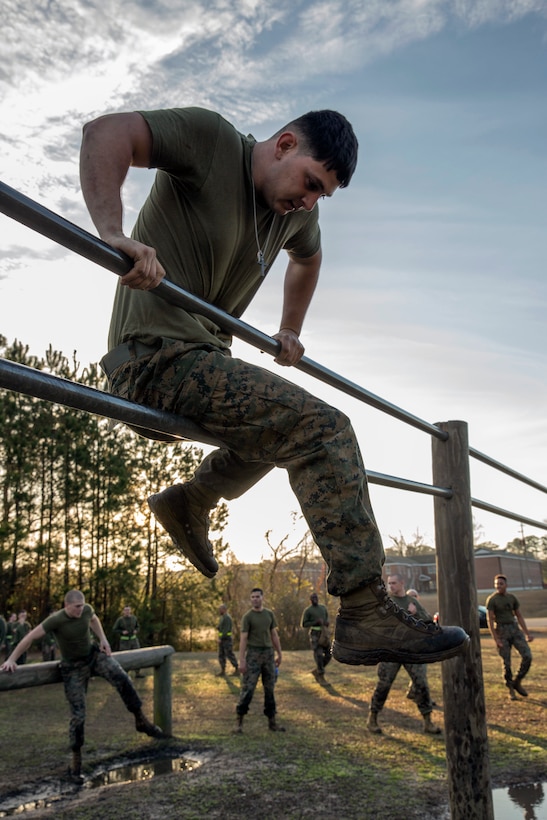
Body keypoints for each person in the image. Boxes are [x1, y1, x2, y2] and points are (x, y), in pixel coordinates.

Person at [80, 105, 468, 668]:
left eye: (322, 196)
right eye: (311, 183)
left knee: (287, 429)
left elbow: (308, 260)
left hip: (203, 361)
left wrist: (291, 328)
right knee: (322, 428)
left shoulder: (293, 215)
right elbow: (107, 133)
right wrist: (113, 232)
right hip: (152, 356)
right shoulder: (212, 142)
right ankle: (364, 608)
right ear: (284, 144)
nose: (309, 201)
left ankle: (192, 499)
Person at [0, 590, 166, 777]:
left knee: (122, 678)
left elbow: (94, 619)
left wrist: (103, 639)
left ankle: (141, 720)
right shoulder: (55, 620)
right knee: (78, 715)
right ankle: (76, 761)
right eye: (76, 607)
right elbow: (29, 638)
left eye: (82, 606)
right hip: (72, 668)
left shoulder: (86, 610)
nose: (81, 610)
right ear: (67, 606)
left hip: (93, 657)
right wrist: (12, 659)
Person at [367, 574, 441, 735]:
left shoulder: (412, 602)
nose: (391, 586)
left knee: (421, 684)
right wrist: (408, 615)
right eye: (389, 583)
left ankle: (428, 722)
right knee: (384, 684)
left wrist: (416, 613)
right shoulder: (386, 602)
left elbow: (428, 621)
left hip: (411, 650)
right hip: (392, 651)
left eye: (394, 583)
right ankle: (372, 718)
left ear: (402, 583)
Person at [235, 588, 284, 733]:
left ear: (262, 598)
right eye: (252, 597)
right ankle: (239, 723)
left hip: (268, 655)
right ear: (250, 599)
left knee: (270, 689)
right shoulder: (247, 617)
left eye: (257, 596)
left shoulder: (269, 614)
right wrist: (242, 660)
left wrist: (279, 653)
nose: (255, 599)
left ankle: (272, 723)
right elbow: (243, 639)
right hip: (253, 656)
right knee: (248, 689)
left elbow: (274, 634)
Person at [486, 574, 533, 700]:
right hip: (501, 630)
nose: (498, 586)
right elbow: (489, 620)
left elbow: (519, 615)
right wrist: (496, 638)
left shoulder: (512, 598)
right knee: (506, 663)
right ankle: (510, 688)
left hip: (514, 629)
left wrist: (527, 633)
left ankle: (517, 681)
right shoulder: (492, 600)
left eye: (501, 584)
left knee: (527, 656)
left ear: (506, 585)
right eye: (496, 584)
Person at [301, 592, 331, 681]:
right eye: (313, 598)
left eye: (316, 598)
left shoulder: (323, 608)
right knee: (318, 654)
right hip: (314, 633)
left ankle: (318, 669)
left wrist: (326, 623)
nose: (315, 600)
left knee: (329, 654)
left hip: (324, 633)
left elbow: (327, 618)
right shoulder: (308, 610)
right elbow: (304, 624)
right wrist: (315, 622)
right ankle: (320, 674)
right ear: (310, 600)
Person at [112, 605, 144, 678]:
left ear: (130, 611)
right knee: (125, 657)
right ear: (123, 611)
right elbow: (114, 629)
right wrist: (122, 632)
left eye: (128, 610)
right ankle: (124, 674)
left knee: (137, 655)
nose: (127, 612)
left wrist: (136, 630)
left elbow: (138, 626)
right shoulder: (120, 620)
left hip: (134, 640)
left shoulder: (134, 618)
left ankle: (137, 673)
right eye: (125, 610)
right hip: (124, 641)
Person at [216, 604, 238, 677]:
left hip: (227, 639)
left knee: (229, 654)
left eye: (220, 609)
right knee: (221, 655)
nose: (219, 610)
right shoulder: (222, 617)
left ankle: (237, 669)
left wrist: (221, 637)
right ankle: (223, 670)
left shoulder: (227, 618)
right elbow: (221, 629)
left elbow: (226, 630)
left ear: (224, 609)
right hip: (222, 639)